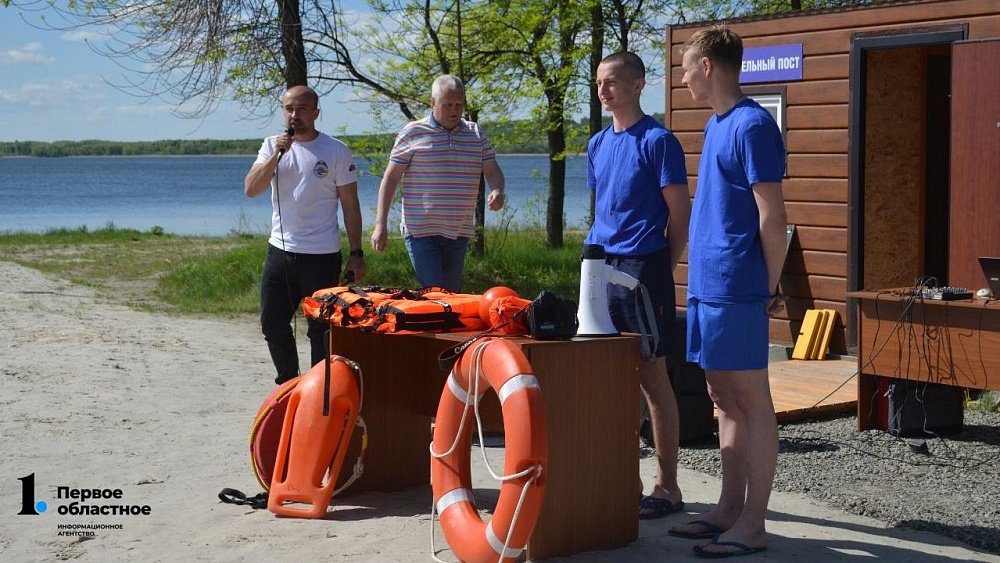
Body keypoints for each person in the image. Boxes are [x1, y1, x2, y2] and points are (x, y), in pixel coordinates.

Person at [671, 25, 788, 558]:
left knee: (751, 401)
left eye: (686, 68)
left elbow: (773, 216)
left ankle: (754, 524)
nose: (683, 79)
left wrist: (768, 285)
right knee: (722, 399)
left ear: (708, 66)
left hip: (738, 286)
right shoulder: (716, 124)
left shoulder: (753, 125)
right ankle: (727, 509)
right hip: (707, 286)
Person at [585, 52, 691, 520]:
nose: (603, 90)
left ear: (637, 85)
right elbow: (604, 207)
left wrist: (664, 266)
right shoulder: (596, 143)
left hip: (644, 266)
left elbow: (680, 213)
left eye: (611, 82)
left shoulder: (659, 141)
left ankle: (667, 487)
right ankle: (622, 480)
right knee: (611, 376)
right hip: (599, 266)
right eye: (599, 83)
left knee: (652, 376)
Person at [244, 85, 367, 385]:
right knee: (272, 323)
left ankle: (319, 388)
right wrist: (276, 155)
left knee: (321, 328)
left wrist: (356, 253)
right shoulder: (271, 146)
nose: (294, 115)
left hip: (322, 255)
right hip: (281, 251)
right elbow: (251, 189)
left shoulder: (335, 150)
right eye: (289, 109)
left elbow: (350, 204)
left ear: (315, 113)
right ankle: (289, 384)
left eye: (301, 109)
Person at [369, 75, 505, 292]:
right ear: (433, 102)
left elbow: (493, 170)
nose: (454, 110)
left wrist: (497, 190)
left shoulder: (475, 134)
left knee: (450, 296)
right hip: (421, 231)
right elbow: (391, 178)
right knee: (436, 293)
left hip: (459, 231)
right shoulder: (413, 132)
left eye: (459, 104)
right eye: (448, 104)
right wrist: (380, 224)